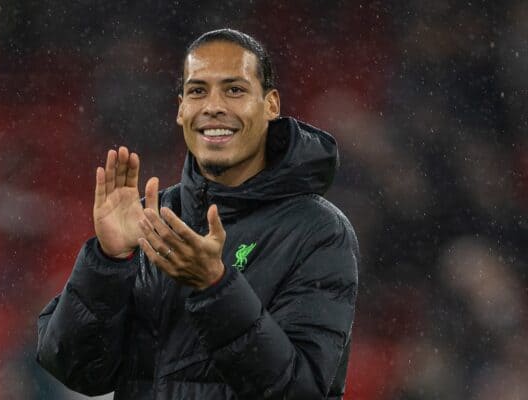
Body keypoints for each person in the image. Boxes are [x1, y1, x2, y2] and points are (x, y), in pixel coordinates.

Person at [36, 28, 359, 400]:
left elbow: (302, 391)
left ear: (270, 105)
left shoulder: (318, 231)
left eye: (234, 90)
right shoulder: (152, 220)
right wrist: (108, 263)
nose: (213, 106)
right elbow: (77, 370)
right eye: (198, 91)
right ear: (180, 109)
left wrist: (216, 288)